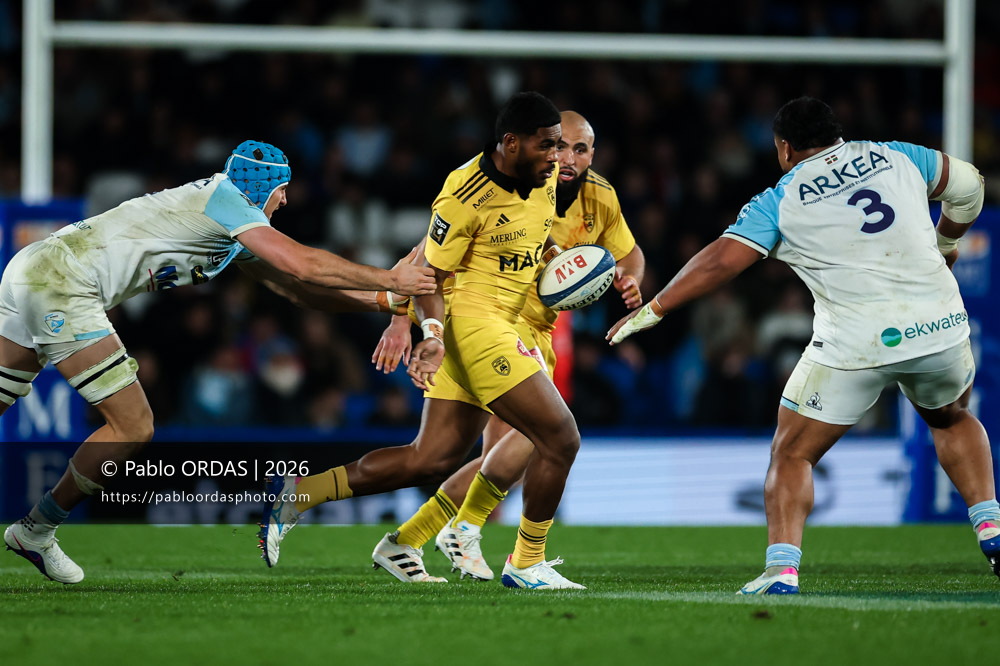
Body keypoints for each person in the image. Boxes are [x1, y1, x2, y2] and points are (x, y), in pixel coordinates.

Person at [608, 96, 997, 594]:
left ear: (786, 149)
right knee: (950, 418)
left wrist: (655, 308)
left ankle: (781, 570)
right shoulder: (898, 155)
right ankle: (991, 526)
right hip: (939, 326)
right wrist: (946, 243)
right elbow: (971, 187)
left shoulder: (782, 198)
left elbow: (721, 261)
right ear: (836, 134)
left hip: (857, 345)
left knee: (792, 452)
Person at [0, 140, 436, 584]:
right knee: (133, 426)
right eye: (282, 189)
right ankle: (37, 529)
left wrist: (384, 300)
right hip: (63, 282)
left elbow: (295, 289)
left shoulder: (229, 217)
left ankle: (35, 531)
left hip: (34, 266)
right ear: (262, 186)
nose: (285, 200)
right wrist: (390, 277)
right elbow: (302, 265)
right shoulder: (229, 203)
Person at [260, 92, 588, 590]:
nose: (557, 157)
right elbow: (428, 268)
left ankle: (304, 495)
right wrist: (423, 332)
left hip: (502, 326)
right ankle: (525, 562)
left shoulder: (541, 179)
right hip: (478, 328)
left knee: (429, 459)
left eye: (560, 146)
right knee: (558, 437)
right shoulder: (464, 194)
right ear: (511, 143)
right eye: (547, 145)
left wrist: (556, 258)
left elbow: (530, 235)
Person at [370, 110, 645, 581]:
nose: (567, 158)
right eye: (559, 146)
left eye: (580, 149)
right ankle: (476, 537)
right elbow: (426, 251)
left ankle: (419, 536)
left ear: (593, 154)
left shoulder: (600, 196)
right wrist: (401, 319)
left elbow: (630, 252)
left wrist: (629, 277)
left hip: (543, 328)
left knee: (513, 449)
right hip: (491, 321)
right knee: (536, 439)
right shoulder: (518, 181)